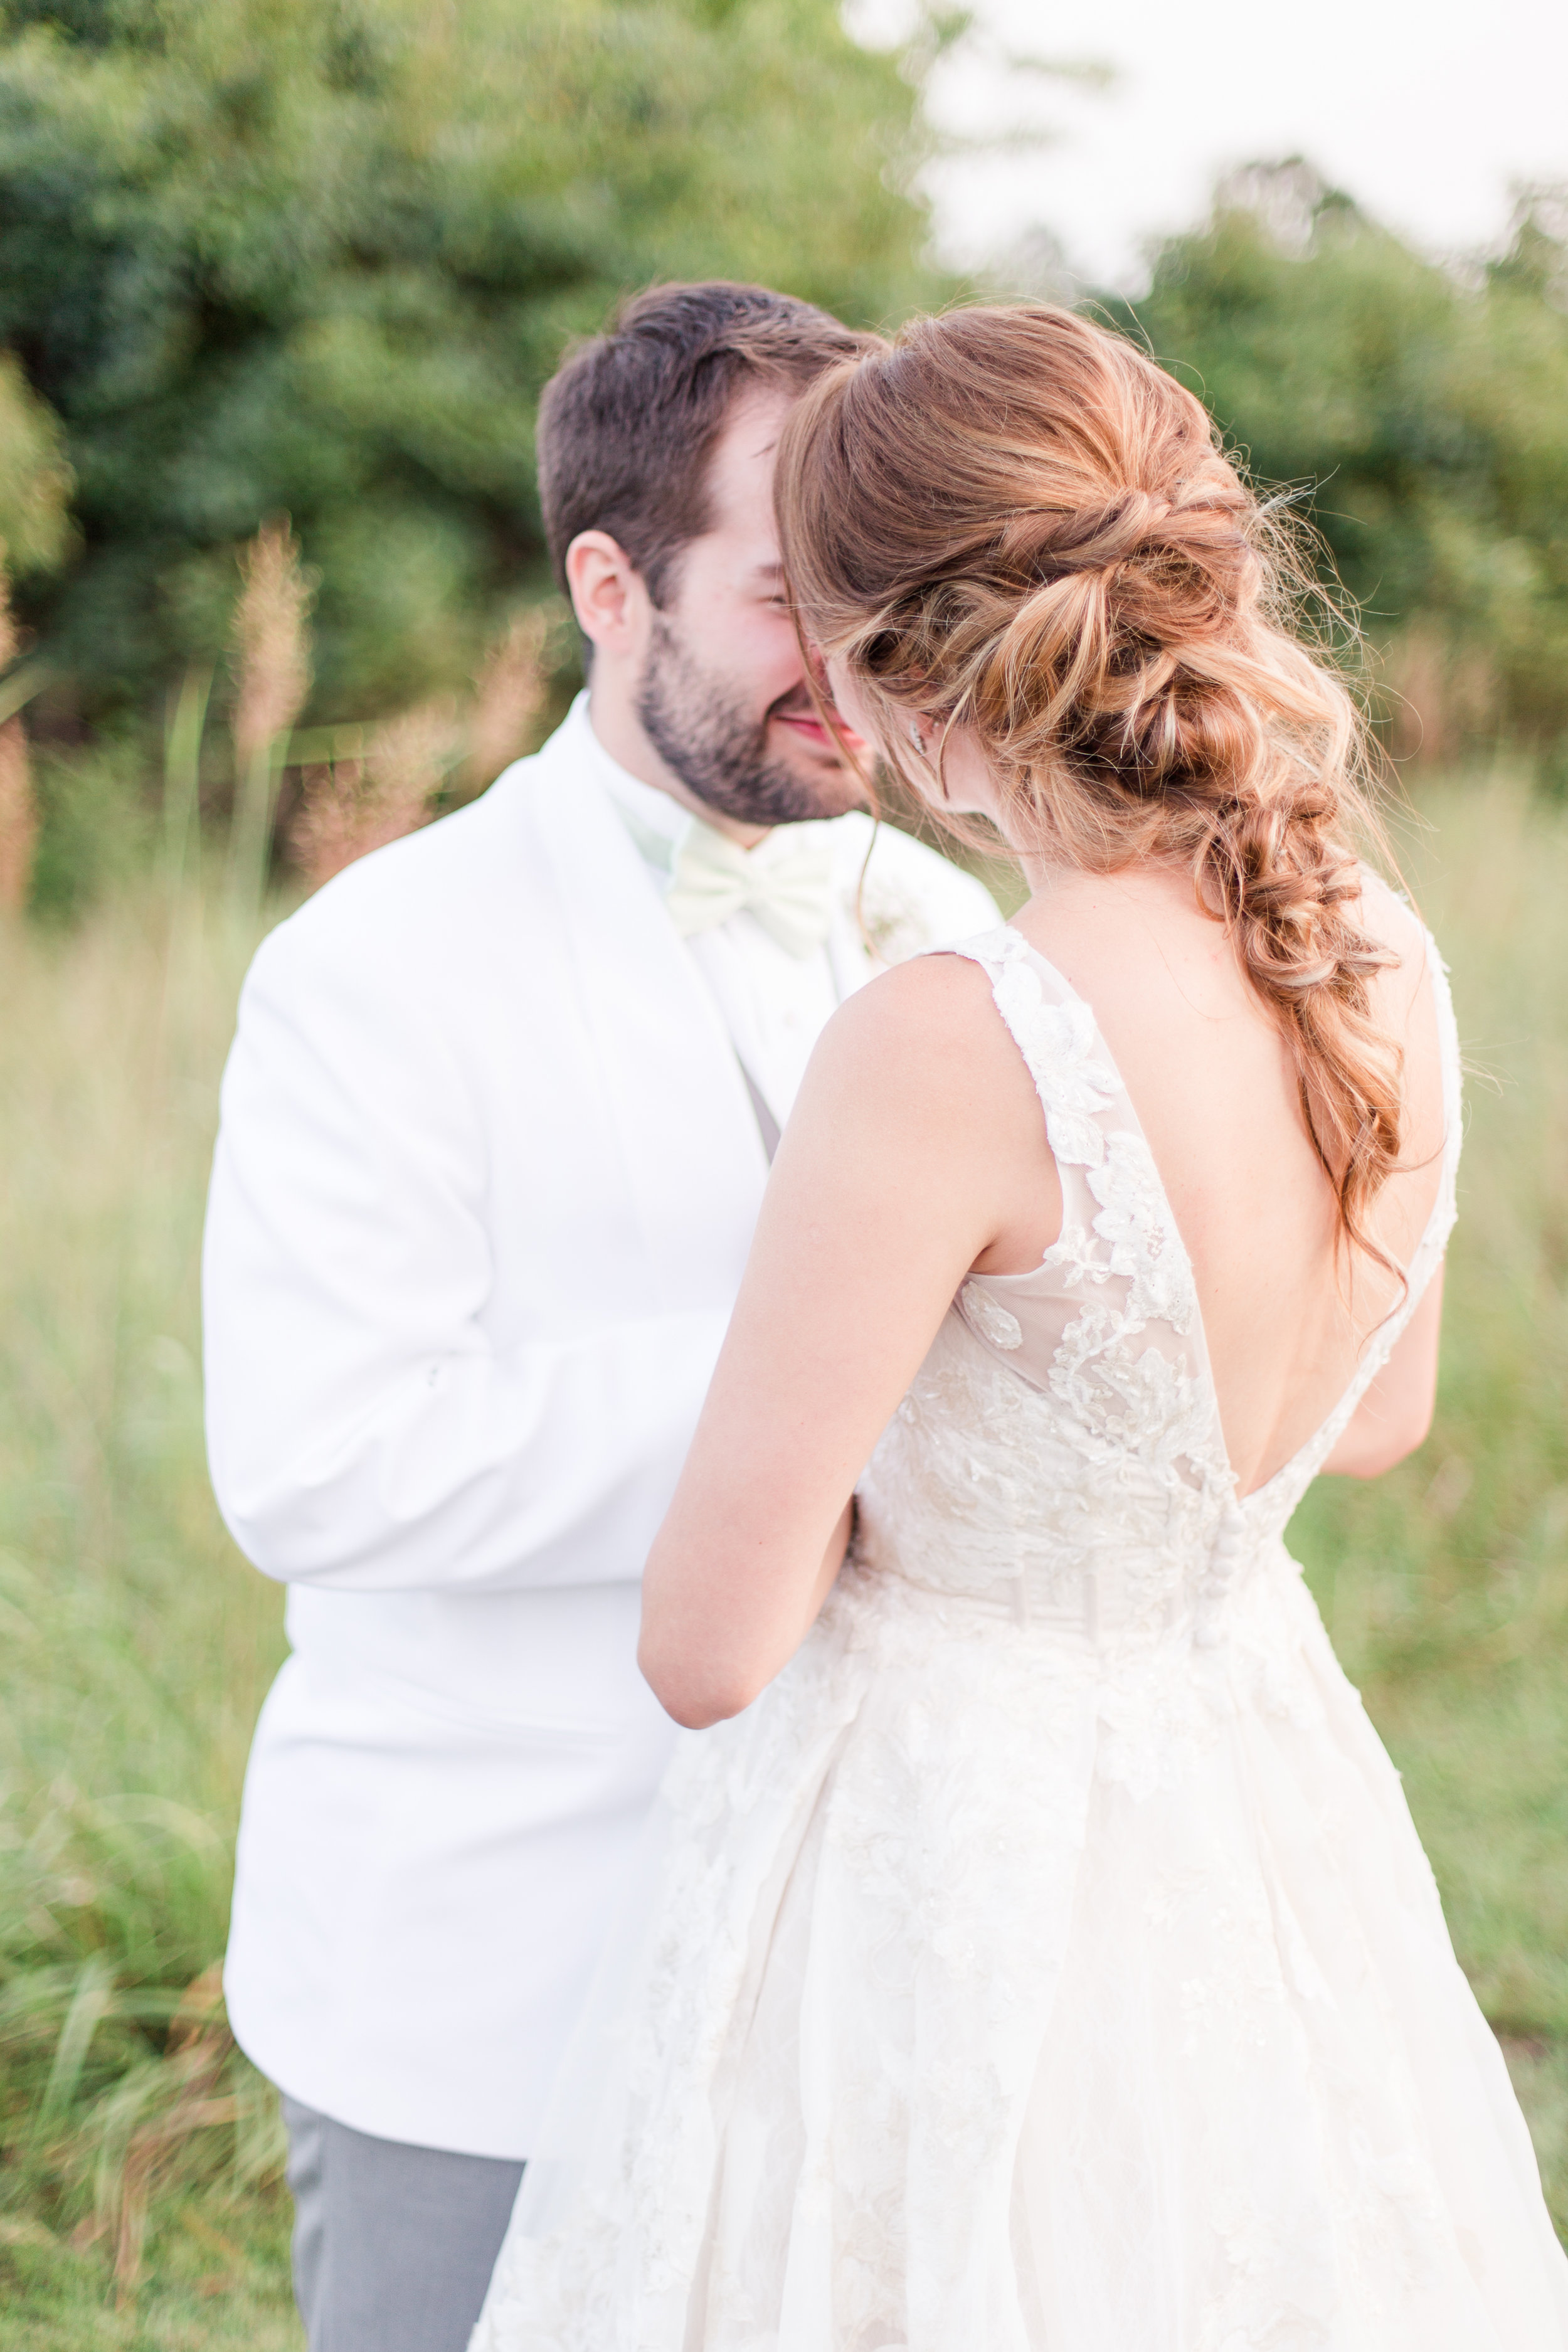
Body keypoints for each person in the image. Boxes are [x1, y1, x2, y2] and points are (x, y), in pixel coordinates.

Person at [474, 304, 1568, 2350]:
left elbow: (708, 1650)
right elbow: (1377, 1415)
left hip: (943, 1854)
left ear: (890, 675)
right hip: (1244, 1801)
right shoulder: (1376, 952)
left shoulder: (952, 1037)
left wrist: (915, 1478)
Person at [201, 280, 997, 2352]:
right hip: (490, 1982)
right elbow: (321, 1463)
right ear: (608, 582)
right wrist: (812, 1404)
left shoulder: (955, 921)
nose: (858, 659)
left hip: (875, 1964)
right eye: (785, 593)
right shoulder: (374, 968)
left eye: (887, 587)